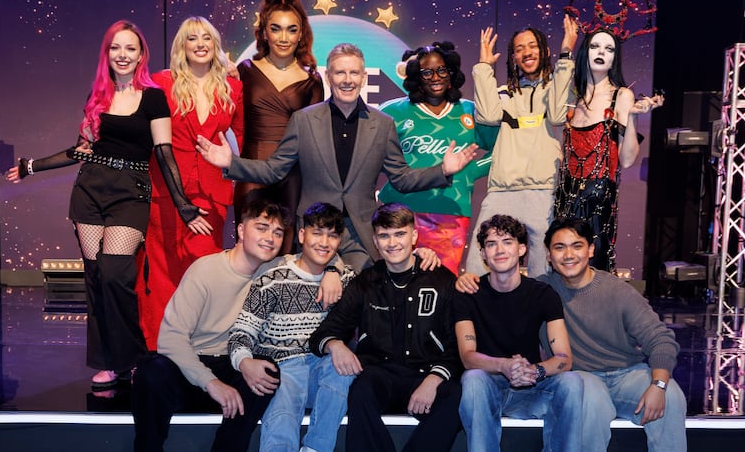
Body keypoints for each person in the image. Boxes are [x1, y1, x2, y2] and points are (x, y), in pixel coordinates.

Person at [5, 20, 203, 389]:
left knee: (115, 274)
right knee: (96, 279)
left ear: (142, 54)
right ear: (107, 54)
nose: (123, 55)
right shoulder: (98, 96)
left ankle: (132, 358)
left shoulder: (154, 96)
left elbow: (164, 153)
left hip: (130, 193)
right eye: (116, 48)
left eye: (130, 48)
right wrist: (31, 166)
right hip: (90, 192)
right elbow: (80, 151)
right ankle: (108, 363)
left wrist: (184, 205)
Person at [196, 43, 479, 271]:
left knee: (359, 309)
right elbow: (274, 170)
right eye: (340, 73)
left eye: (354, 73)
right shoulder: (303, 120)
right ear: (328, 76)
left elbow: (402, 178)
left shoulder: (382, 124)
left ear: (363, 77)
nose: (347, 80)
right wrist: (230, 163)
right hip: (315, 233)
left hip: (361, 236)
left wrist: (442, 170)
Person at [130, 200, 288, 452]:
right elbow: (171, 338)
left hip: (234, 366)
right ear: (240, 230)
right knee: (149, 371)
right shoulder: (207, 270)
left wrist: (333, 272)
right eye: (262, 228)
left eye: (277, 232)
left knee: (267, 370)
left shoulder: (274, 272)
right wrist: (210, 382)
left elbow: (319, 254)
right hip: (192, 369)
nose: (270, 238)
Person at [309, 203, 463, 452]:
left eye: (399, 234)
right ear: (376, 242)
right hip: (379, 375)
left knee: (455, 396)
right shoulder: (366, 282)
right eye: (384, 236)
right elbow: (324, 333)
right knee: (361, 389)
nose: (392, 243)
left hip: (425, 375)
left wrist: (433, 380)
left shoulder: (441, 280)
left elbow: (456, 346)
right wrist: (336, 345)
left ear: (414, 237)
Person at [540, 217, 686, 452]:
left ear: (591, 250)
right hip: (581, 377)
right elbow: (499, 287)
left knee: (672, 397)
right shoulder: (541, 290)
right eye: (559, 247)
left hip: (626, 374)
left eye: (577, 245)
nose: (569, 255)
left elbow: (660, 338)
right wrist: (467, 281)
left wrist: (659, 385)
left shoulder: (617, 291)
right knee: (589, 398)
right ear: (549, 255)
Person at [136, 16, 244, 351]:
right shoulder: (160, 83)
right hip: (167, 189)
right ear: (182, 46)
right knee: (164, 268)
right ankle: (159, 347)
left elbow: (238, 136)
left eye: (206, 39)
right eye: (191, 39)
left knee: (203, 268)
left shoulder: (233, 88)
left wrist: (230, 166)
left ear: (215, 46)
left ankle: (201, 345)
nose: (199, 44)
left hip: (212, 191)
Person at [228, 202, 355, 452]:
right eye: (317, 233)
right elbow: (241, 332)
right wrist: (245, 362)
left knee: (342, 364)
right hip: (284, 366)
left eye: (332, 236)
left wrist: (333, 270)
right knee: (282, 421)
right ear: (301, 235)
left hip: (323, 366)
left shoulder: (347, 279)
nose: (324, 242)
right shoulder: (272, 279)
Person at [455, 214, 582, 452]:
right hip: (490, 388)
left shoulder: (542, 294)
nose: (500, 250)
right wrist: (504, 366)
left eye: (507, 242)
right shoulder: (468, 294)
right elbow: (467, 357)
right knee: (473, 379)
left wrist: (534, 371)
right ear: (483, 253)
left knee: (572, 382)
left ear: (521, 249)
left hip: (532, 386)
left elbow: (563, 358)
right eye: (492, 244)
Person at [463, 15, 578, 281]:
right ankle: (474, 320)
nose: (526, 52)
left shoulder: (557, 90)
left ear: (545, 51)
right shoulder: (504, 93)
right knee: (478, 267)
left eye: (533, 45)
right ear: (513, 57)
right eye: (519, 48)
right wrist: (483, 66)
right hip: (502, 190)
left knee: (543, 273)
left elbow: (559, 115)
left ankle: (541, 322)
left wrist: (566, 56)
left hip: (543, 191)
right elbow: (488, 116)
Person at [377, 41, 496, 275]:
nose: (435, 77)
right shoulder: (391, 112)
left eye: (442, 70)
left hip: (450, 213)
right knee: (398, 282)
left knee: (442, 284)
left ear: (451, 72)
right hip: (400, 212)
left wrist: (470, 171)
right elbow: (370, 157)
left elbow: (500, 150)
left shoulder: (471, 110)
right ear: (415, 76)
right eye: (426, 72)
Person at [552, 28, 662, 272]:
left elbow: (627, 159)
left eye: (609, 49)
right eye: (595, 46)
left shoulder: (621, 95)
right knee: (562, 263)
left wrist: (631, 118)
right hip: (565, 194)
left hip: (599, 196)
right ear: (585, 52)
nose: (601, 52)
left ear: (614, 58)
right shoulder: (573, 95)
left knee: (594, 265)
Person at [235, 0, 324, 254]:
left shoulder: (312, 80)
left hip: (292, 177)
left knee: (285, 252)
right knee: (248, 249)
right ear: (264, 32)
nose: (283, 38)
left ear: (301, 34)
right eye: (276, 29)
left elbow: (314, 139)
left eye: (291, 30)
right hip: (251, 170)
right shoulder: (244, 71)